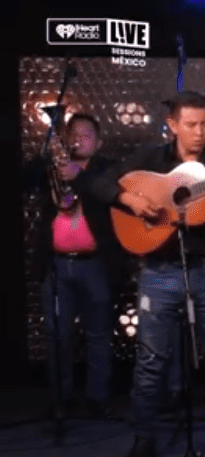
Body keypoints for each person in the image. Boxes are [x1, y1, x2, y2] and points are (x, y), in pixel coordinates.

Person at [107, 91, 205, 457]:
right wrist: (130, 201)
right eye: (191, 125)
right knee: (151, 360)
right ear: (172, 125)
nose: (199, 132)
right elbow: (99, 183)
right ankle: (144, 437)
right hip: (159, 272)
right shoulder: (150, 160)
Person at [34, 113, 123, 419]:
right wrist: (48, 154)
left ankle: (97, 398)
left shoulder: (108, 170)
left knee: (98, 334)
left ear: (98, 142)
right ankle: (60, 398)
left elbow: (111, 197)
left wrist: (78, 175)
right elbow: (24, 180)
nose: (78, 139)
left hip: (95, 264)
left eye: (86, 135)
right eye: (73, 134)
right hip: (57, 265)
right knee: (57, 334)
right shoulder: (52, 168)